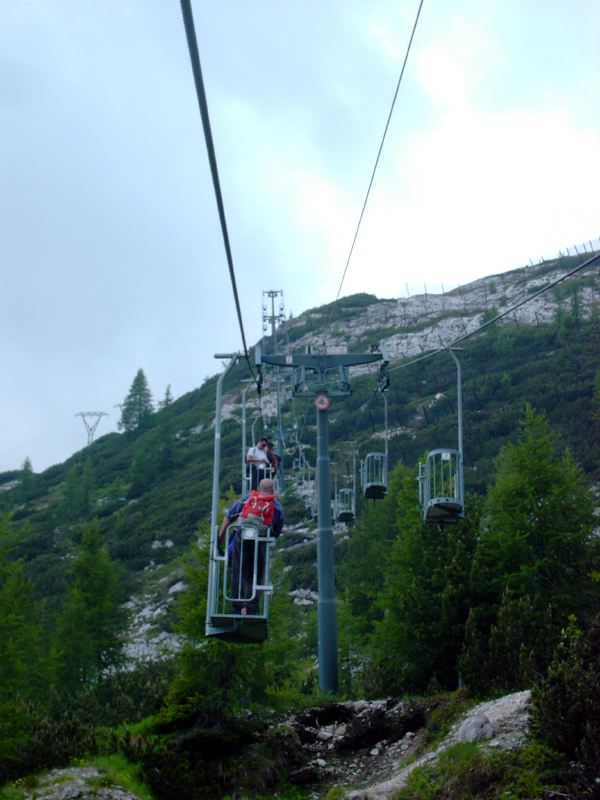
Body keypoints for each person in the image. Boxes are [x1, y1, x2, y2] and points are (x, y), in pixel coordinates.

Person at [218, 478, 284, 616]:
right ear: (273, 491)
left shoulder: (248, 498)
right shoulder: (276, 505)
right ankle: (251, 609)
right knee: (256, 575)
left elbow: (229, 516)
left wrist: (220, 538)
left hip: (241, 539)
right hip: (259, 542)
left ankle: (237, 607)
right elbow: (277, 530)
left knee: (239, 570)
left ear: (259, 488)